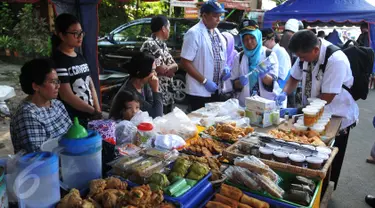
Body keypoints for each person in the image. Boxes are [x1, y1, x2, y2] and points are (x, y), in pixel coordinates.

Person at [275, 30, 359, 190]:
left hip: (336, 115)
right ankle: (305, 187)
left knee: (330, 158)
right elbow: (294, 77)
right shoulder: (304, 53)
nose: (301, 60)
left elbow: (328, 96)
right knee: (309, 153)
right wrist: (284, 92)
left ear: (315, 50)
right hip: (312, 113)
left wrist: (298, 110)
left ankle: (326, 191)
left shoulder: (336, 60)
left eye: (303, 57)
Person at [10, 59, 72, 153]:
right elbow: (40, 157)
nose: (58, 86)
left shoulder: (57, 104)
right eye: (52, 82)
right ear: (36, 86)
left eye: (57, 81)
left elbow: (72, 134)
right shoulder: (27, 114)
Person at [51, 13, 101, 127]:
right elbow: (66, 95)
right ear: (62, 36)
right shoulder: (59, 60)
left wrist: (97, 109)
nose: (80, 36)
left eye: (81, 32)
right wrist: (92, 111)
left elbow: (91, 85)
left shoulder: (80, 57)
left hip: (90, 114)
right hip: (73, 120)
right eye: (75, 33)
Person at [180, 0, 229, 111]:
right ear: (205, 16)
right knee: (200, 123)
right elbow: (185, 62)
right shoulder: (194, 33)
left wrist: (225, 68)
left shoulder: (218, 34)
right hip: (199, 92)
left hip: (216, 89)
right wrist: (204, 81)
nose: (218, 19)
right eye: (215, 16)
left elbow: (219, 57)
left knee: (214, 124)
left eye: (220, 16)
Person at [230, 20, 281, 107]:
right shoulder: (239, 57)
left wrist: (264, 76)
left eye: (252, 38)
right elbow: (234, 84)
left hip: (266, 105)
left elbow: (273, 83)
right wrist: (240, 83)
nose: (249, 42)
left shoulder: (269, 55)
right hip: (245, 106)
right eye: (245, 39)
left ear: (258, 36)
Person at [140, 15, 178, 113]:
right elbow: (155, 68)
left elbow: (175, 66)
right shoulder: (149, 44)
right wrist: (164, 69)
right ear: (163, 29)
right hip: (155, 94)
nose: (169, 31)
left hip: (167, 93)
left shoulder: (163, 45)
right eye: (168, 28)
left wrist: (167, 68)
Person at [110, 52, 163, 118]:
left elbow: (153, 105)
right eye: (153, 71)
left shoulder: (144, 84)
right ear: (143, 71)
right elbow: (157, 116)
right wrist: (156, 90)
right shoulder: (130, 92)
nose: (155, 74)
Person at [221, 31, 238, 98]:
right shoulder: (218, 54)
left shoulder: (236, 55)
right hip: (218, 90)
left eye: (225, 42)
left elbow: (237, 73)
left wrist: (230, 71)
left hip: (230, 92)